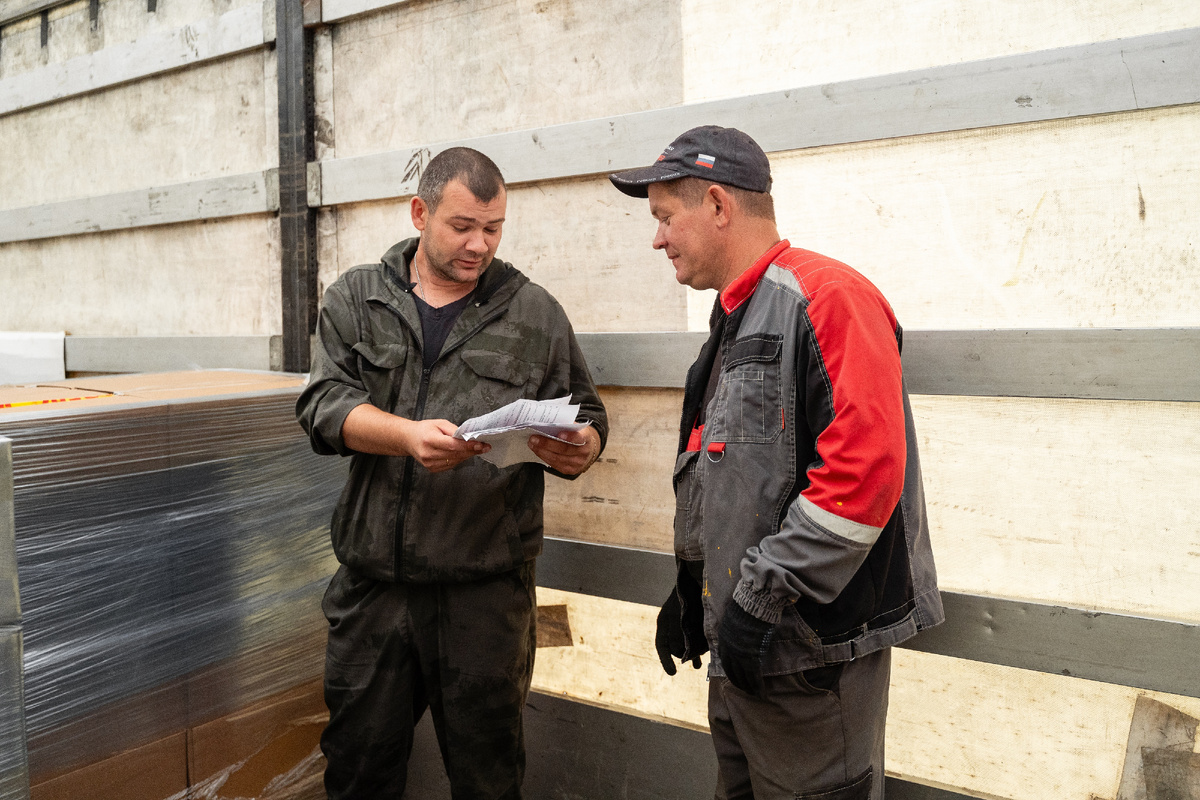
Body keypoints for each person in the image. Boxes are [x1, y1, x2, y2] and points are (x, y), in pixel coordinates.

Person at [609, 126, 942, 800]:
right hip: (745, 652)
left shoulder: (827, 299)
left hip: (810, 661)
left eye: (665, 219)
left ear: (718, 206)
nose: (657, 239)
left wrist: (760, 600)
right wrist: (695, 584)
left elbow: (865, 476)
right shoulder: (735, 316)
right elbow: (726, 470)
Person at [297, 146, 607, 799]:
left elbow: (587, 411)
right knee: (357, 770)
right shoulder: (358, 298)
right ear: (420, 213)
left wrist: (585, 445)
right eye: (461, 226)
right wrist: (404, 437)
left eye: (493, 229)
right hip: (375, 591)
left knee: (487, 778)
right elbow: (322, 409)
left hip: (484, 596)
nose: (478, 244)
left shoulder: (534, 313)